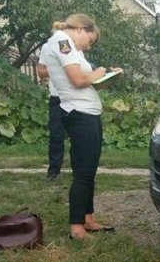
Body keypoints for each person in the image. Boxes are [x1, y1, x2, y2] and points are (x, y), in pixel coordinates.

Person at [40, 14, 121, 240]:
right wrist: (99, 72)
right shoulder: (63, 42)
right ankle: (76, 227)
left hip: (87, 113)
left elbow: (84, 81)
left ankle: (88, 219)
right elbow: (77, 80)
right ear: (82, 28)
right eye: (90, 40)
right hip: (80, 114)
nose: (88, 45)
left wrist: (105, 77)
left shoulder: (68, 46)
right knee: (83, 173)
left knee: (88, 170)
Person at [36, 34, 65, 181]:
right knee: (56, 135)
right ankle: (53, 171)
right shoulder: (47, 47)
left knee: (79, 136)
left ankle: (79, 171)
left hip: (75, 97)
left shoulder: (75, 47)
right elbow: (41, 72)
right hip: (56, 96)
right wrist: (58, 68)